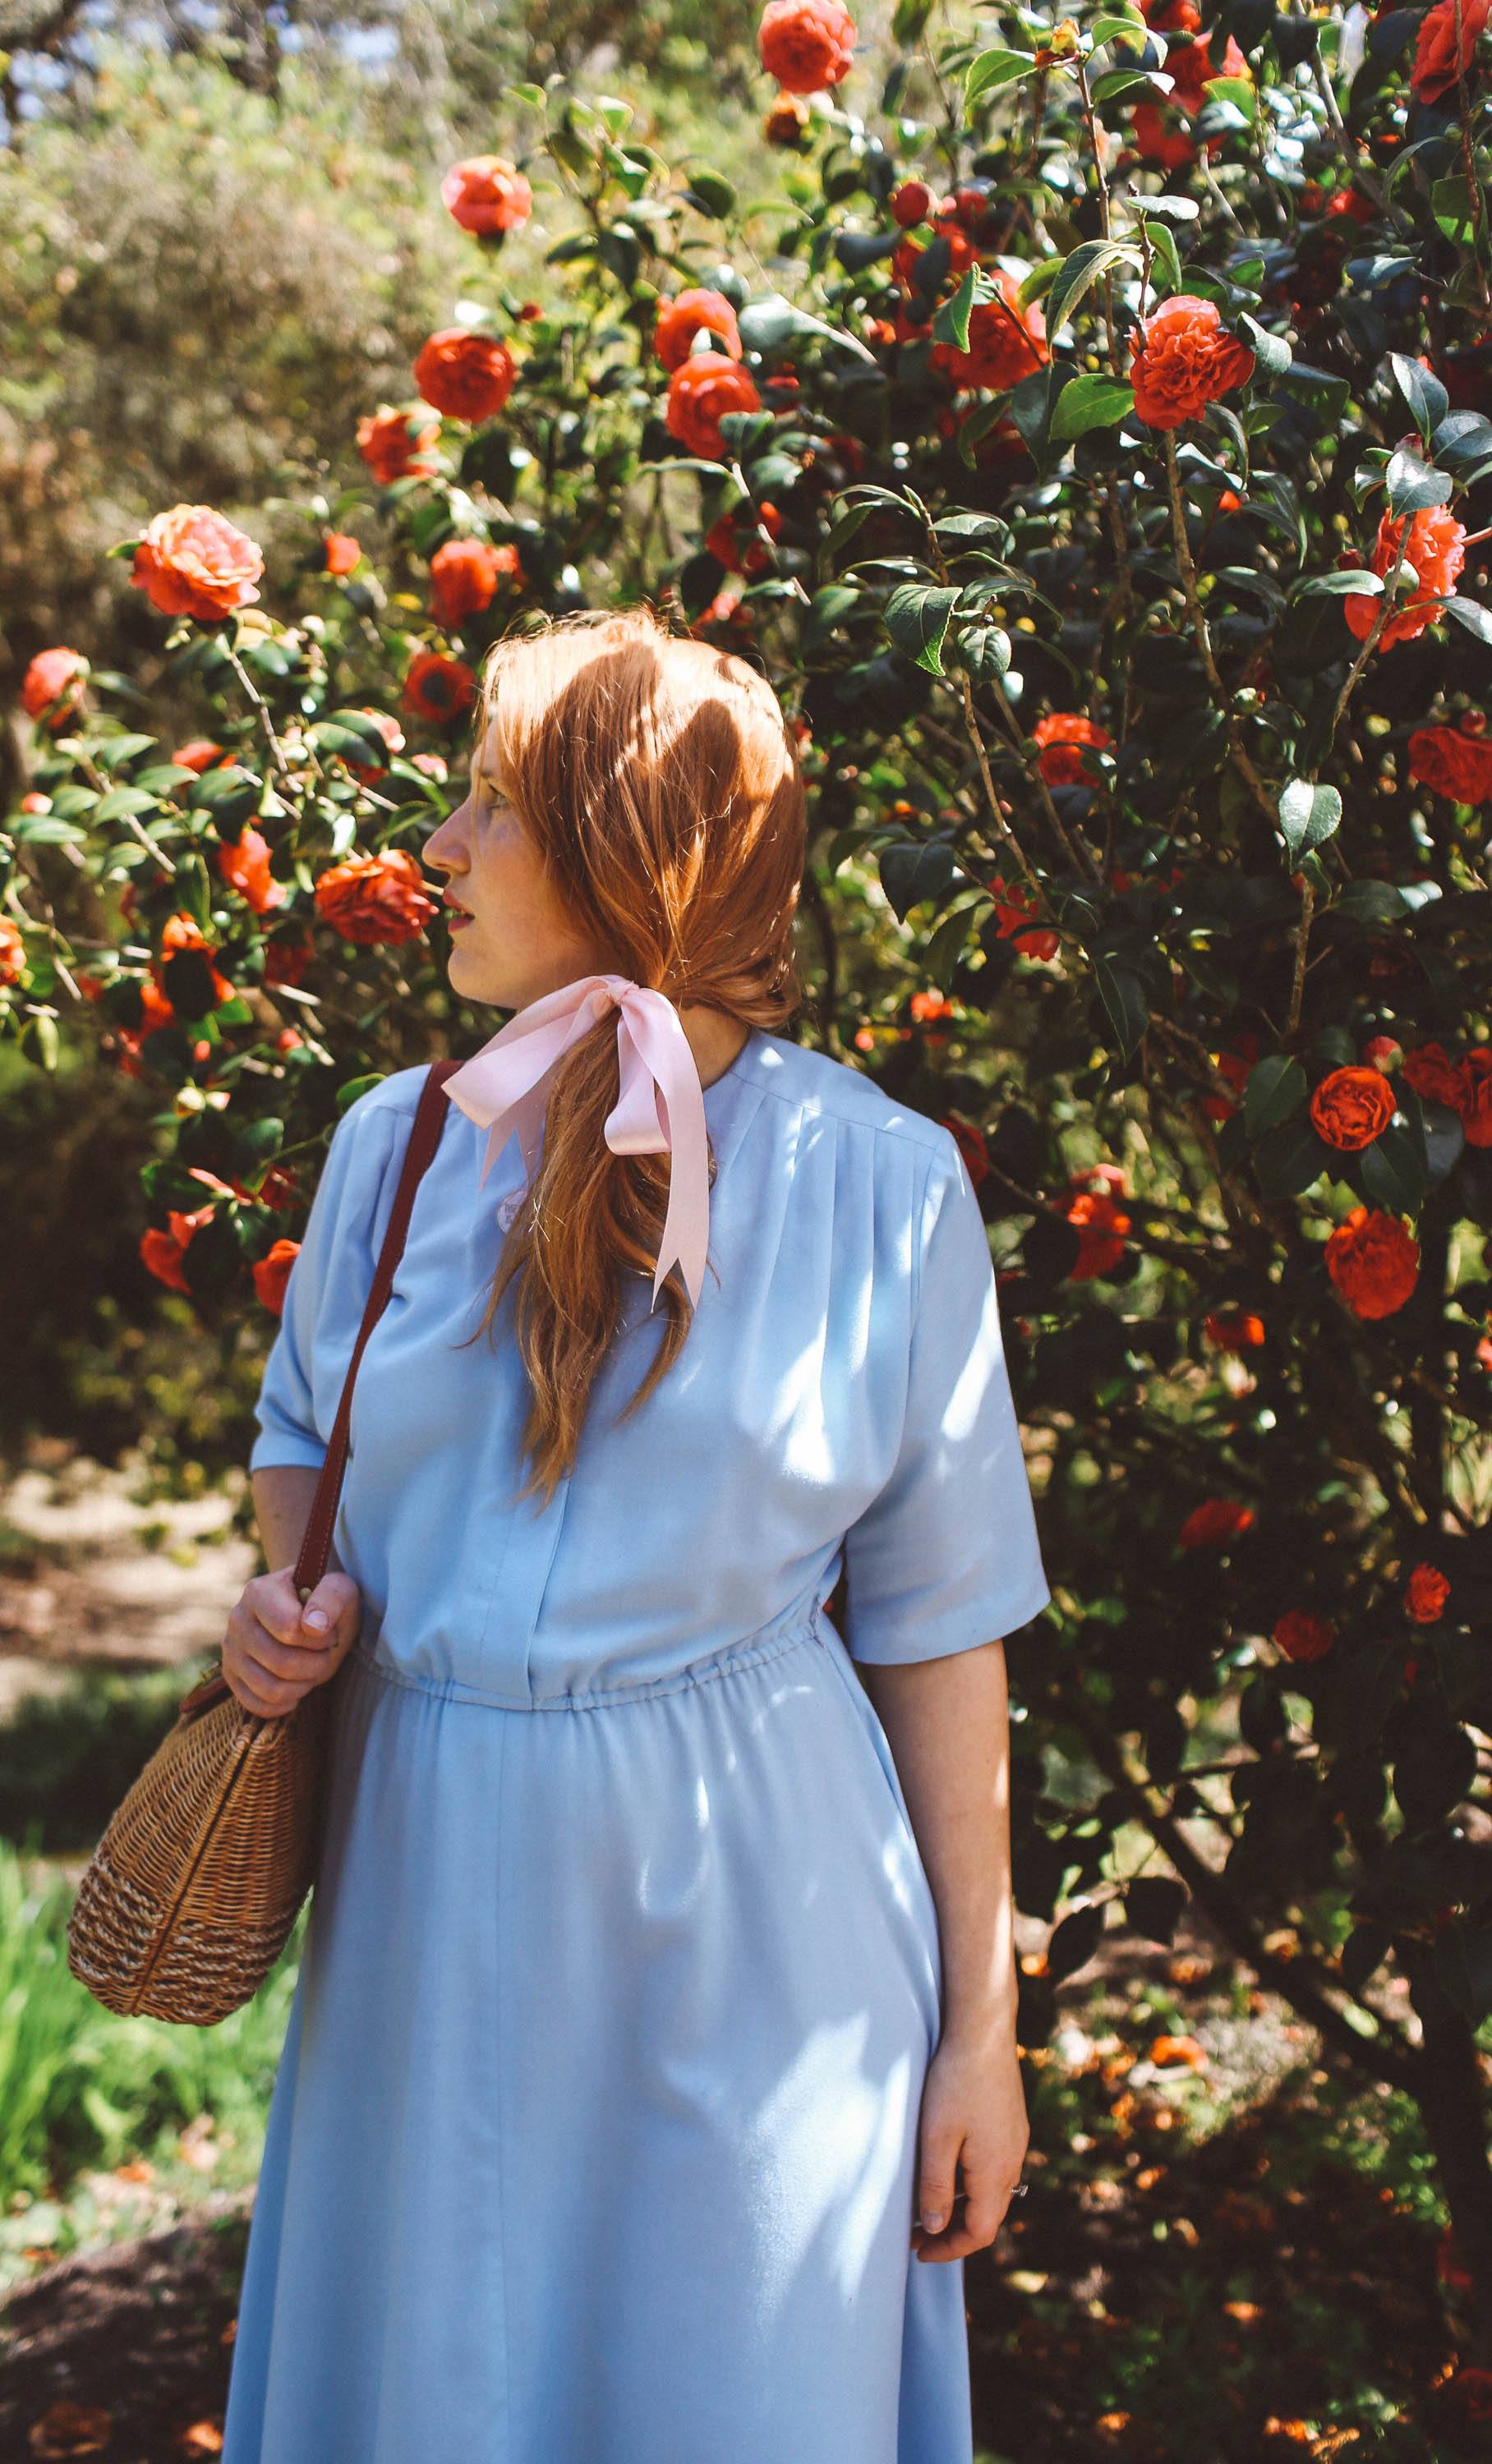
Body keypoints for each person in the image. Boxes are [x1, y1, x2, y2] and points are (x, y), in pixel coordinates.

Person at [219, 603, 1052, 2462]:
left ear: (620, 854)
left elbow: (938, 1626)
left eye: (488, 806)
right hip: (428, 1875)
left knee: (728, 2397)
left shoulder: (881, 1188)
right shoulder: (396, 1146)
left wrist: (973, 2035)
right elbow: (304, 1443)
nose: (434, 851)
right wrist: (290, 1599)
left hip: (759, 1913)